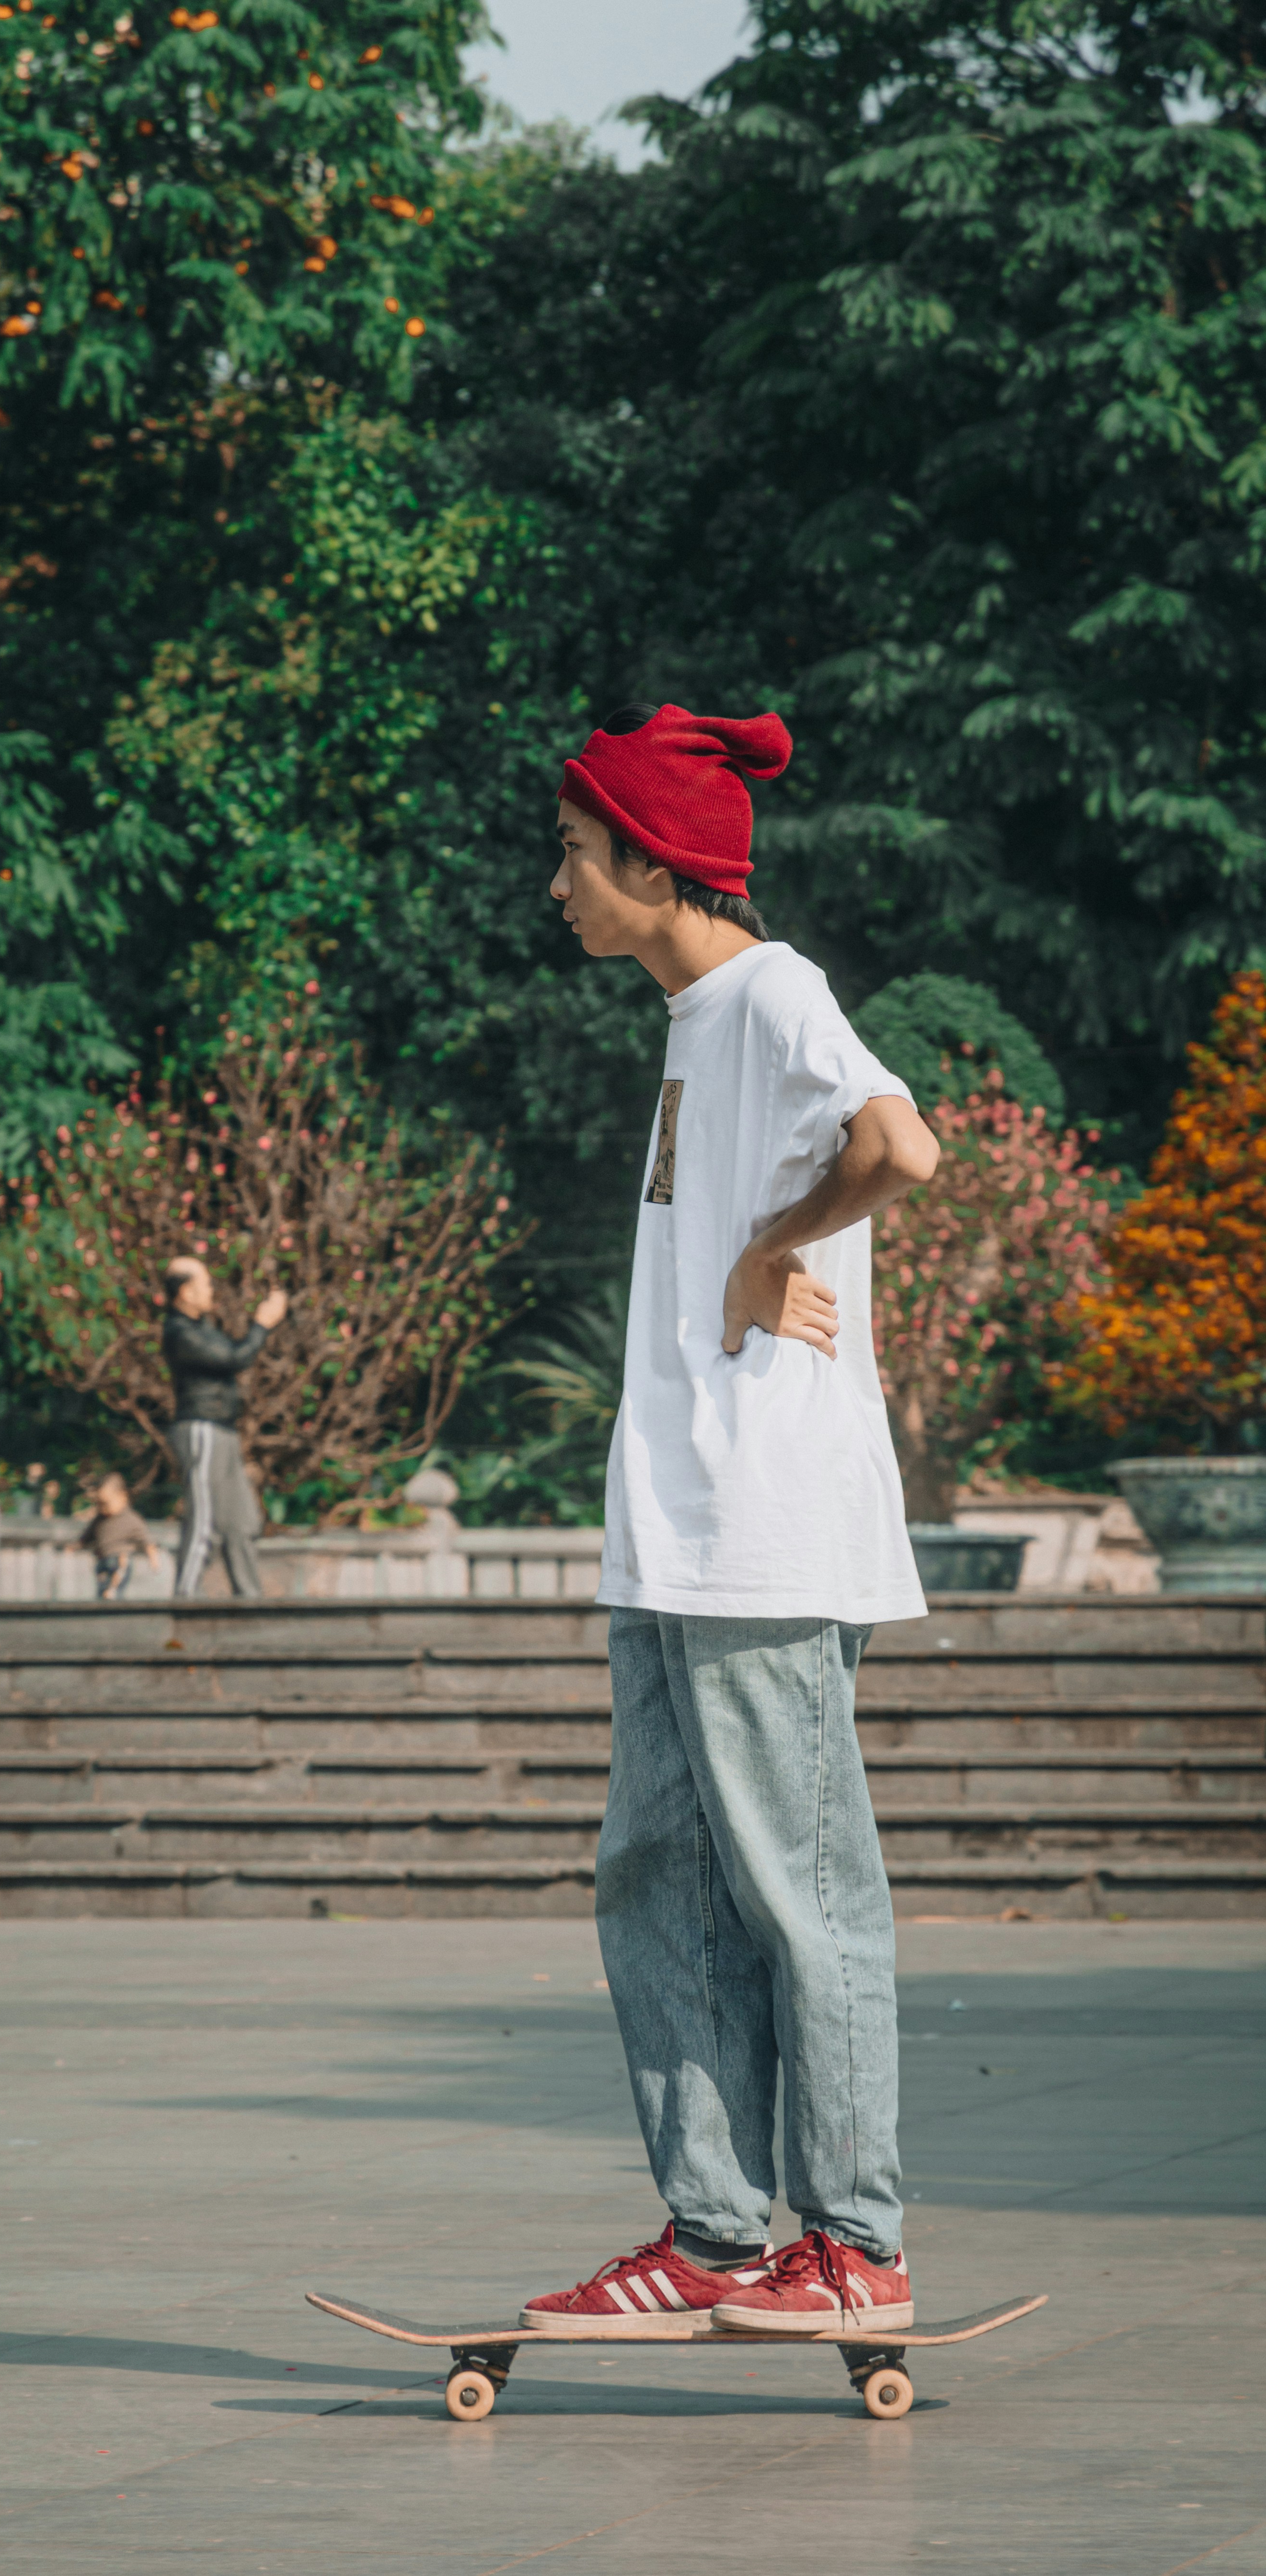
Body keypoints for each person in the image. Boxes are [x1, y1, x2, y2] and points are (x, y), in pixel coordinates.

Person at [521, 703, 942, 2343]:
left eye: (574, 852)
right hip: (676, 1531)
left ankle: (853, 2242)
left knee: (800, 1892)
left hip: (764, 1526)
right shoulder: (697, 1021)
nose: (557, 883)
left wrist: (778, 1244)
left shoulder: (771, 992)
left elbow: (898, 1145)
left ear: (652, 859)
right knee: (657, 1884)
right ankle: (710, 2233)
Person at [161, 1256, 288, 1598]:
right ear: (186, 1292)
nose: (211, 1290)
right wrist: (262, 1324)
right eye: (205, 1284)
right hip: (201, 1429)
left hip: (224, 1431)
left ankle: (250, 1598)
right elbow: (235, 1358)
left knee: (242, 1522)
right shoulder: (179, 1333)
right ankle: (185, 1598)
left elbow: (233, 1352)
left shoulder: (202, 1328)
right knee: (204, 1518)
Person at [70, 1471, 161, 1601]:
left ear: (123, 1497)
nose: (102, 1508)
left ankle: (113, 1595)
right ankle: (104, 1598)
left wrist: (154, 1559)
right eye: (99, 1504)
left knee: (117, 1582)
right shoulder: (99, 1520)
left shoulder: (132, 1520)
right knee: (102, 1586)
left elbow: (147, 1541)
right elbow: (87, 1537)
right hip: (102, 1560)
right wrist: (75, 1547)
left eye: (106, 1503)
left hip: (120, 1559)